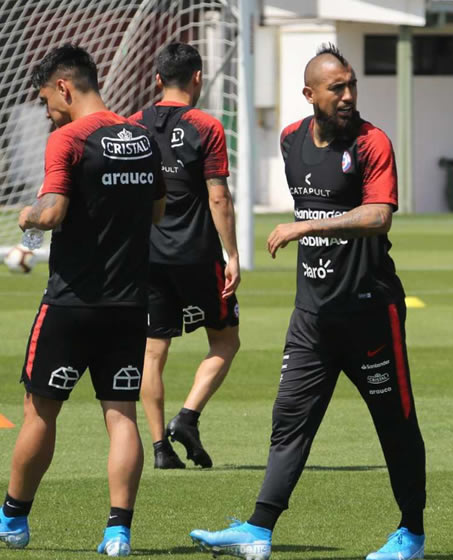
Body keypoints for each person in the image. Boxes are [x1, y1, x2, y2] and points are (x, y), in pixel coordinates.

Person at [188, 44, 427, 560]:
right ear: (309, 94)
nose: (347, 95)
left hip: (370, 315)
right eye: (336, 87)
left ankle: (411, 534)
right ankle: (259, 530)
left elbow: (380, 216)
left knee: (396, 423)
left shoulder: (372, 143)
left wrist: (308, 225)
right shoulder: (291, 138)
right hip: (312, 317)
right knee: (289, 420)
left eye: (351, 85)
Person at [0, 44, 166, 556]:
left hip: (71, 304)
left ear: (65, 87)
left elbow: (50, 214)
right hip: (128, 306)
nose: (46, 108)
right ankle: (118, 531)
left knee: (40, 412)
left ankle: (12, 521)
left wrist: (26, 217)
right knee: (120, 415)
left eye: (46, 97)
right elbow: (158, 212)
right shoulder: (142, 137)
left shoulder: (67, 139)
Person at [130, 42, 241, 470]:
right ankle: (188, 416)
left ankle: (160, 448)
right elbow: (219, 198)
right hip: (196, 256)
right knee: (225, 340)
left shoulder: (132, 125)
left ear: (157, 79)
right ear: (198, 78)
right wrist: (232, 254)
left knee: (153, 352)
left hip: (148, 258)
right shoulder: (206, 126)